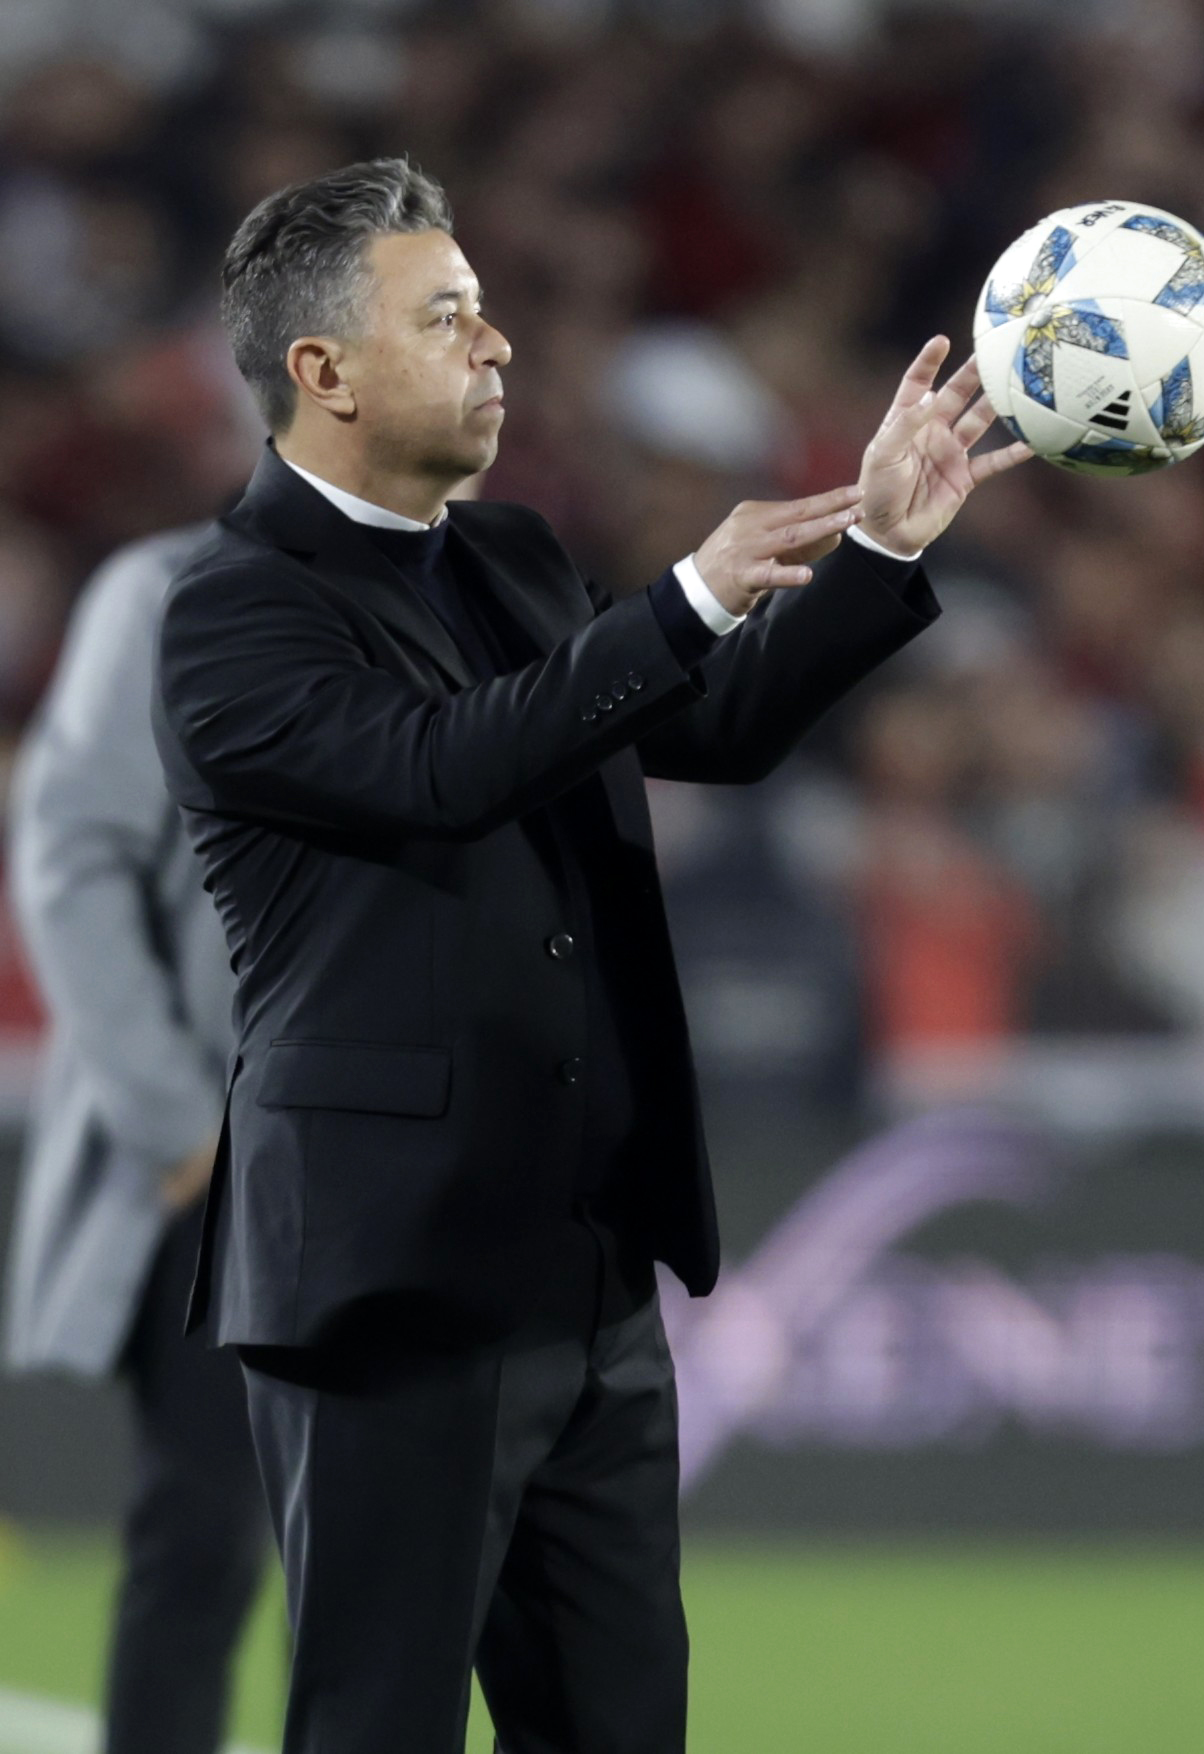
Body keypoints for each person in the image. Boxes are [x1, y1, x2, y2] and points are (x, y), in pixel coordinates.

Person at [152, 157, 1026, 1754]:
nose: (496, 346)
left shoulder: (512, 560)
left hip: (588, 1286)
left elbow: (717, 724)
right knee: (375, 1728)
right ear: (321, 371)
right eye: (448, 315)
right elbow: (445, 768)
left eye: (486, 311)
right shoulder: (232, 613)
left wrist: (883, 553)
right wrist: (691, 592)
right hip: (391, 1290)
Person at [4, 522, 269, 1754]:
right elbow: (69, 854)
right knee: (204, 1531)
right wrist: (177, 1116)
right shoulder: (168, 588)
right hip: (231, 1157)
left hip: (399, 1152)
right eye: (444, 321)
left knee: (410, 1550)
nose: (487, 358)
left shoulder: (469, 586)